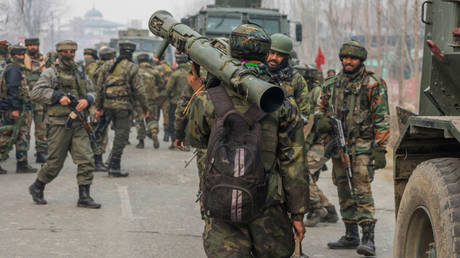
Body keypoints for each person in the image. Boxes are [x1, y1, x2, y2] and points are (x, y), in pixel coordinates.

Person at [187, 24, 308, 257]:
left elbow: (196, 140)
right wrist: (298, 214)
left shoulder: (208, 99)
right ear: (265, 54)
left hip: (222, 200)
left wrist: (200, 90)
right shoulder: (281, 102)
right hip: (268, 204)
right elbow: (294, 163)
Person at [317, 41, 389, 256]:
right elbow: (320, 108)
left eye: (353, 58)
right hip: (339, 146)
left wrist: (380, 149)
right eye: (344, 58)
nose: (348, 62)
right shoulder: (332, 83)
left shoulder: (373, 84)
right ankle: (351, 234)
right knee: (343, 188)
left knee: (362, 190)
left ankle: (368, 238)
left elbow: (382, 118)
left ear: (361, 60)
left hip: (362, 146)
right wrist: (321, 120)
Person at [28, 40, 101, 209]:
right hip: (59, 124)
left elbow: (92, 91)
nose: (69, 55)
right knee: (54, 163)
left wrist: (87, 100)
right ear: (59, 53)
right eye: (65, 52)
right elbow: (36, 93)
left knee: (86, 159)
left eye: (72, 52)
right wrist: (56, 96)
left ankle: (84, 196)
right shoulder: (50, 73)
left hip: (79, 123)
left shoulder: (80, 72)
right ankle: (37, 186)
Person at [95, 41, 148, 177]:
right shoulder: (132, 67)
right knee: (121, 135)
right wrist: (145, 108)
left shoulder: (107, 65)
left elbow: (99, 88)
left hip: (107, 106)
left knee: (101, 132)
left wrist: (98, 107)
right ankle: (114, 166)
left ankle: (99, 160)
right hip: (123, 107)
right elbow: (139, 91)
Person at [0, 45, 37, 174]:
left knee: (22, 136)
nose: (21, 57)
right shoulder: (13, 69)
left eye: (22, 55)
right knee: (7, 136)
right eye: (18, 55)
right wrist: (14, 109)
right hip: (15, 108)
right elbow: (12, 89)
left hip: (19, 107)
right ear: (12, 55)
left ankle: (22, 164)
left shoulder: (12, 67)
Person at [266, 33, 308, 112]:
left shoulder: (295, 78)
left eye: (279, 55)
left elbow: (304, 111)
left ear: (286, 58)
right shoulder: (256, 73)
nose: (274, 58)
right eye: (271, 53)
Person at [24, 38, 48, 163]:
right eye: (30, 45)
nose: (32, 47)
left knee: (41, 127)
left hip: (40, 99)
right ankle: (22, 154)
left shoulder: (43, 60)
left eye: (34, 45)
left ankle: (41, 152)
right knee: (25, 128)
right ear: (27, 46)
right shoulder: (21, 59)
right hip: (26, 100)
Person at [92, 47, 116, 171]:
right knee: (101, 133)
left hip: (93, 104)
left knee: (97, 131)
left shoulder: (93, 67)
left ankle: (96, 160)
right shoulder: (106, 69)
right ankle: (97, 161)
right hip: (99, 105)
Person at [136, 53, 162, 149]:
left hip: (138, 100)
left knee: (139, 120)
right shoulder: (154, 71)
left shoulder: (136, 72)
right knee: (151, 118)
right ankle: (154, 132)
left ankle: (141, 141)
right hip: (151, 99)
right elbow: (161, 84)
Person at [165, 53, 190, 150]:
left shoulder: (175, 74)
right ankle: (187, 144)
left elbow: (168, 89)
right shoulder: (191, 74)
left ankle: (174, 142)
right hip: (189, 102)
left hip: (175, 102)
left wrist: (169, 97)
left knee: (173, 122)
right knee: (187, 122)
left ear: (177, 61)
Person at [153, 56, 172, 142]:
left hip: (156, 95)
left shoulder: (155, 68)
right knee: (166, 115)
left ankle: (154, 132)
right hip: (166, 96)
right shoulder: (169, 68)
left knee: (155, 116)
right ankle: (166, 134)